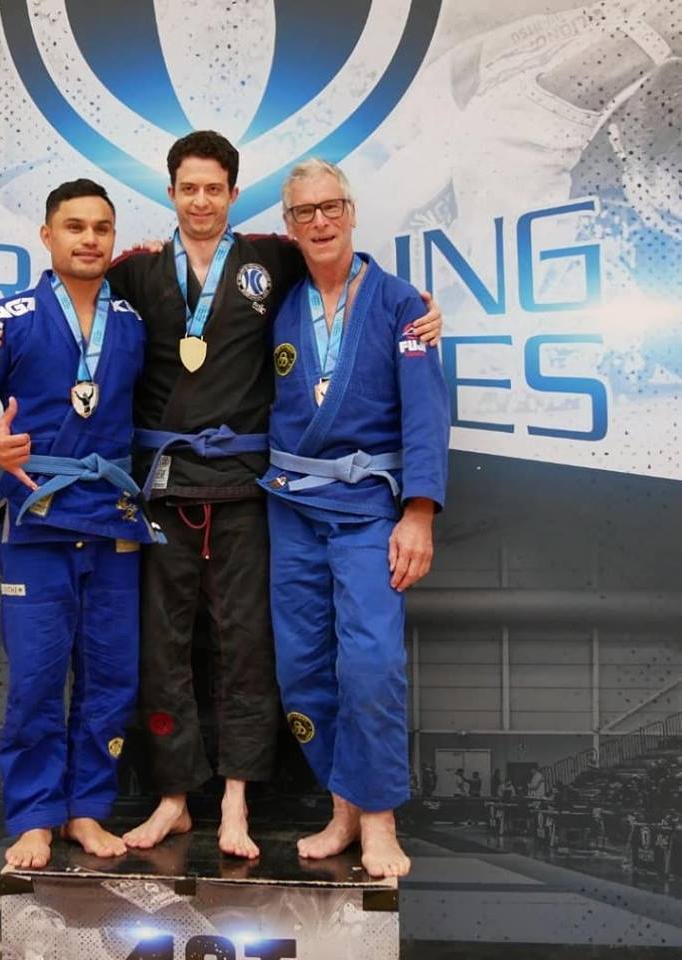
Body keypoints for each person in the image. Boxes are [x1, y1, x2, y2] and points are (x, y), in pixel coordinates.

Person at [0, 131, 445, 858]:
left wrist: (414, 311)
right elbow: (64, 291)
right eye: (189, 188)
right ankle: (174, 797)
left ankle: (241, 803)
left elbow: (343, 270)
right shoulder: (136, 274)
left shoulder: (274, 260)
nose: (201, 200)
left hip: (250, 488)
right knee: (160, 652)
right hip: (155, 490)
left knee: (251, 647)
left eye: (214, 188)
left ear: (234, 196)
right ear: (171, 193)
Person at [0, 178, 161, 871]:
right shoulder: (5, 319)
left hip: (115, 523)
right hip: (37, 521)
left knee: (111, 679)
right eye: (74, 226)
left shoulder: (134, 319)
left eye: (101, 227)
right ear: (47, 235)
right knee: (37, 678)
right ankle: (36, 816)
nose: (88, 238)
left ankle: (87, 811)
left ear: (114, 238)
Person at [261, 158, 449, 878]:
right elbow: (203, 265)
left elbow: (426, 416)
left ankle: (378, 817)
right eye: (303, 212)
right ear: (288, 225)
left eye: (330, 206)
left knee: (369, 665)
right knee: (302, 668)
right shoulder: (276, 300)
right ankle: (341, 807)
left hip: (369, 506)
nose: (319, 221)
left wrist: (419, 513)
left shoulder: (403, 305)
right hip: (291, 505)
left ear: (351, 210)